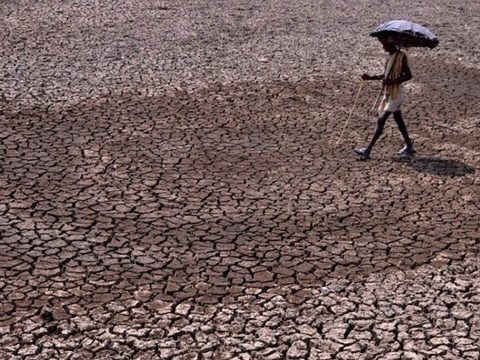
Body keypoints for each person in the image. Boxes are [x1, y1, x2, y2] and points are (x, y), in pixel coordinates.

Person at [355, 37, 415, 159]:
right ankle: (409, 145)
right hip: (390, 93)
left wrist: (391, 81)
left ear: (391, 44)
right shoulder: (390, 58)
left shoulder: (401, 57)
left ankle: (368, 150)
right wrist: (370, 78)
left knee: (381, 120)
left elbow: (408, 76)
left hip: (396, 93)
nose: (383, 47)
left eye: (384, 44)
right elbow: (385, 75)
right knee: (398, 119)